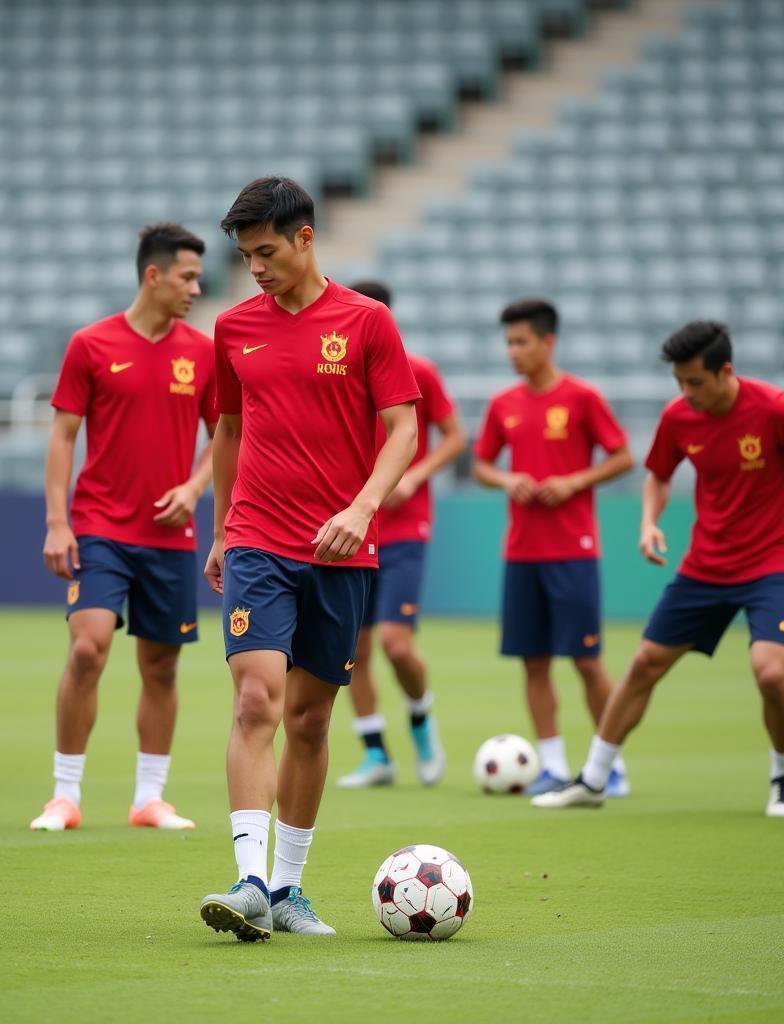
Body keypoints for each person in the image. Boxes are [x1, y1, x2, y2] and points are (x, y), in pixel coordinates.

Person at [199, 177, 419, 941]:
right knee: (256, 699)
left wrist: (361, 510)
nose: (254, 268)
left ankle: (289, 889)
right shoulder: (232, 330)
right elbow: (225, 432)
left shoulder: (368, 323)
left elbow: (403, 430)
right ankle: (250, 880)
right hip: (260, 538)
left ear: (304, 238)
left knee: (312, 717)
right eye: (243, 256)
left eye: (265, 252)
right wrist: (224, 530)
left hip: (343, 549)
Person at [533, 321, 784, 816]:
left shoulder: (772, 409)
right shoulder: (679, 416)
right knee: (646, 662)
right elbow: (659, 477)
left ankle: (781, 776)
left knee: (771, 673)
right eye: (679, 382)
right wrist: (649, 522)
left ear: (725, 371)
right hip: (706, 566)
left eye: (695, 382)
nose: (685, 393)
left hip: (771, 564)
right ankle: (594, 779)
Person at [30, 223, 216, 833]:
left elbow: (227, 439)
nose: (196, 287)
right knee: (87, 649)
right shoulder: (90, 343)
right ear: (153, 275)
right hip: (100, 526)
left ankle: (148, 799)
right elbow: (61, 436)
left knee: (161, 666)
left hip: (169, 536)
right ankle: (64, 795)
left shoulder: (203, 351)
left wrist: (193, 487)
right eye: (187, 276)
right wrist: (58, 522)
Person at [472, 298, 634, 796]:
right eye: (508, 343)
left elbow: (623, 456)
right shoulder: (504, 405)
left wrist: (574, 481)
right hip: (521, 551)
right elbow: (481, 465)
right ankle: (554, 765)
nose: (513, 351)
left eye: (521, 342)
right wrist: (507, 479)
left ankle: (612, 766)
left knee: (587, 661)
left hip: (574, 549)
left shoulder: (582, 397)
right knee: (534, 662)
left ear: (548, 342)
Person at [336, 280, 466, 789]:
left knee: (395, 643)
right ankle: (376, 756)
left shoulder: (420, 372)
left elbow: (455, 437)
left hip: (405, 529)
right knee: (354, 650)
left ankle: (420, 716)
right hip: (350, 527)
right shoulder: (332, 371)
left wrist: (414, 474)